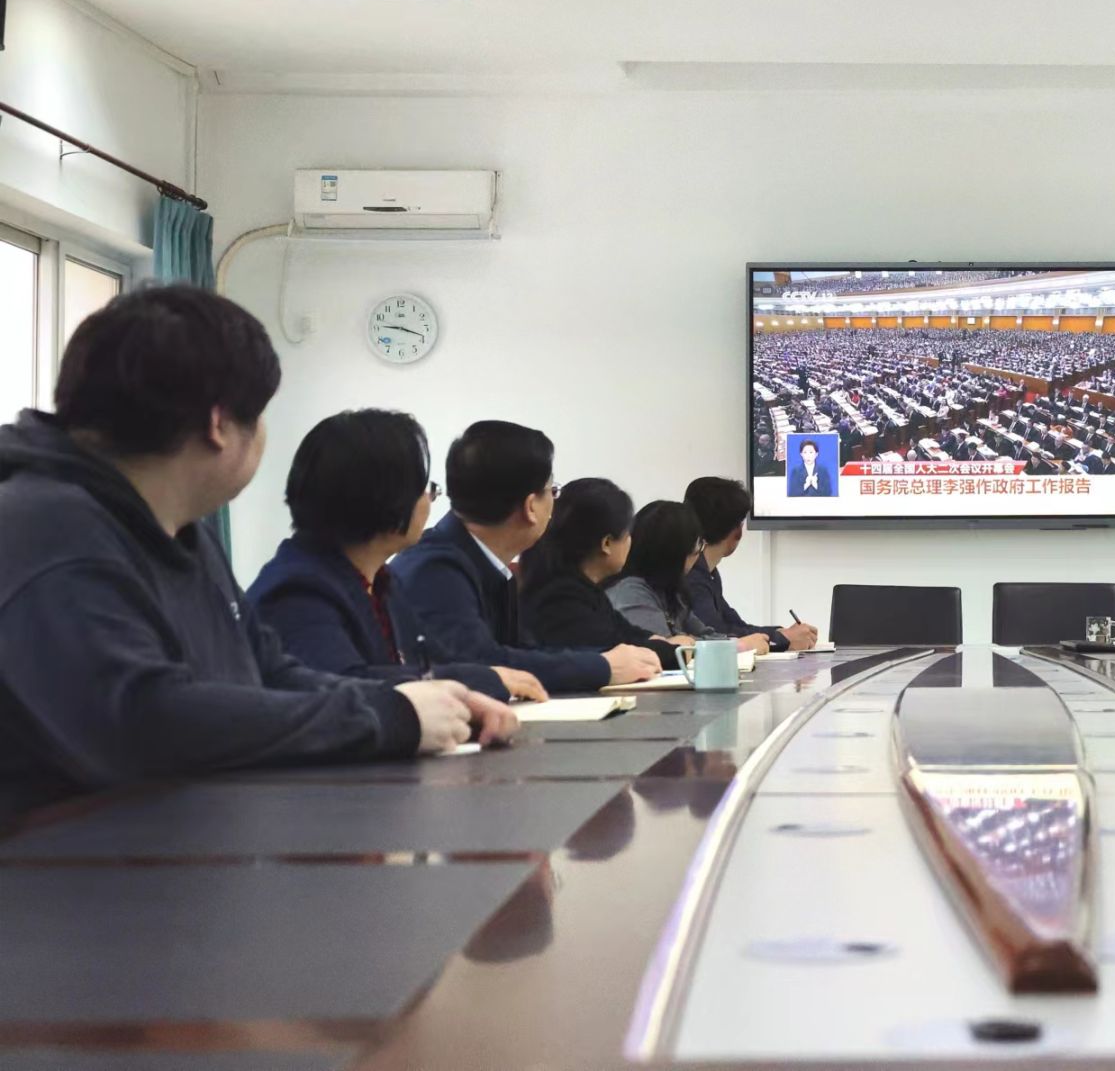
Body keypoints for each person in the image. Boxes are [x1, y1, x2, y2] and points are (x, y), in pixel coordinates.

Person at [0, 286, 517, 821]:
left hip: (178, 842)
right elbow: (143, 721)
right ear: (219, 425)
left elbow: (268, 671)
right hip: (64, 861)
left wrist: (427, 700)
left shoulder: (182, 530)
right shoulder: (47, 528)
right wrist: (391, 718)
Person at [250, 410, 547, 703]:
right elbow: (348, 686)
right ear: (385, 497)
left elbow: (432, 663)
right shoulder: (298, 589)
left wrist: (484, 676)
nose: (429, 501)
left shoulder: (382, 582)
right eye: (425, 489)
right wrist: (484, 679)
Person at [391, 421, 661, 694]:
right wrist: (603, 667)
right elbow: (481, 665)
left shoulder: (484, 563)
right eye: (552, 491)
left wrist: (610, 661)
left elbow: (524, 652)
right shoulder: (435, 569)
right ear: (531, 506)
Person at [520, 478, 688, 669]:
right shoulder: (560, 597)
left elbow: (627, 633)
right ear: (606, 543)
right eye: (627, 533)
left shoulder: (585, 589)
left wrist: (656, 641)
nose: (631, 542)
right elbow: (613, 649)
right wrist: (676, 651)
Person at [606, 500, 772, 656]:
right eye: (697, 545)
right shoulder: (631, 592)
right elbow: (665, 651)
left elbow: (707, 634)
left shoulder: (670, 590)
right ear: (675, 552)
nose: (699, 552)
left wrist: (734, 645)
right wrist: (738, 647)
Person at [683, 476, 818, 653]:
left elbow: (735, 625)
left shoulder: (709, 572)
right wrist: (783, 639)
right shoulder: (693, 575)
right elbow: (717, 635)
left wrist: (782, 633)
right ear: (737, 531)